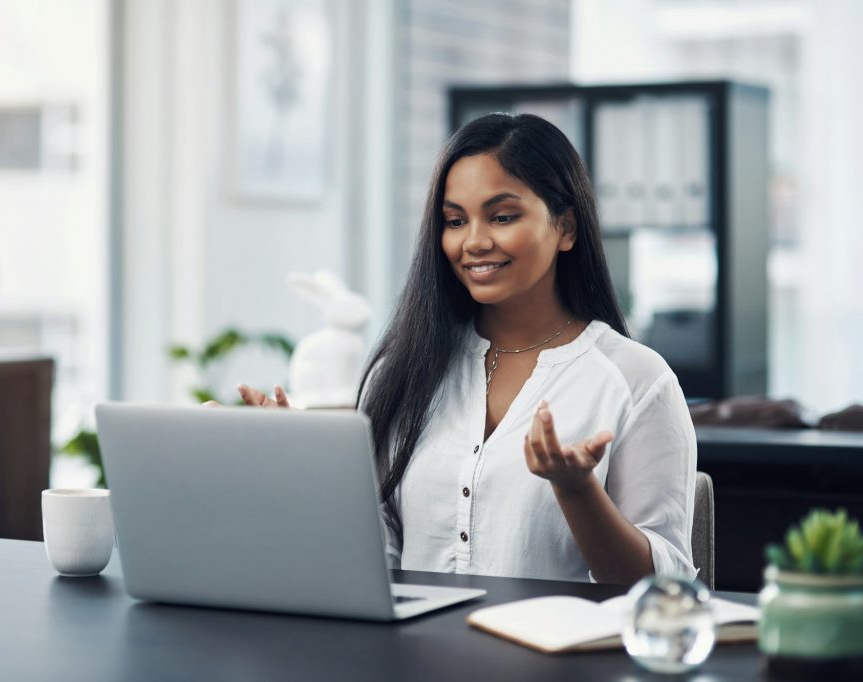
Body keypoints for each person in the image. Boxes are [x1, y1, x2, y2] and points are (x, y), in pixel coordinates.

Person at [229, 113, 697, 585]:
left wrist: (576, 490)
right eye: (455, 221)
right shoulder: (401, 370)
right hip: (411, 655)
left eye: (502, 216)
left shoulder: (637, 381)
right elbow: (373, 558)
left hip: (559, 657)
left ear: (567, 228)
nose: (472, 242)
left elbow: (667, 588)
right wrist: (294, 470)